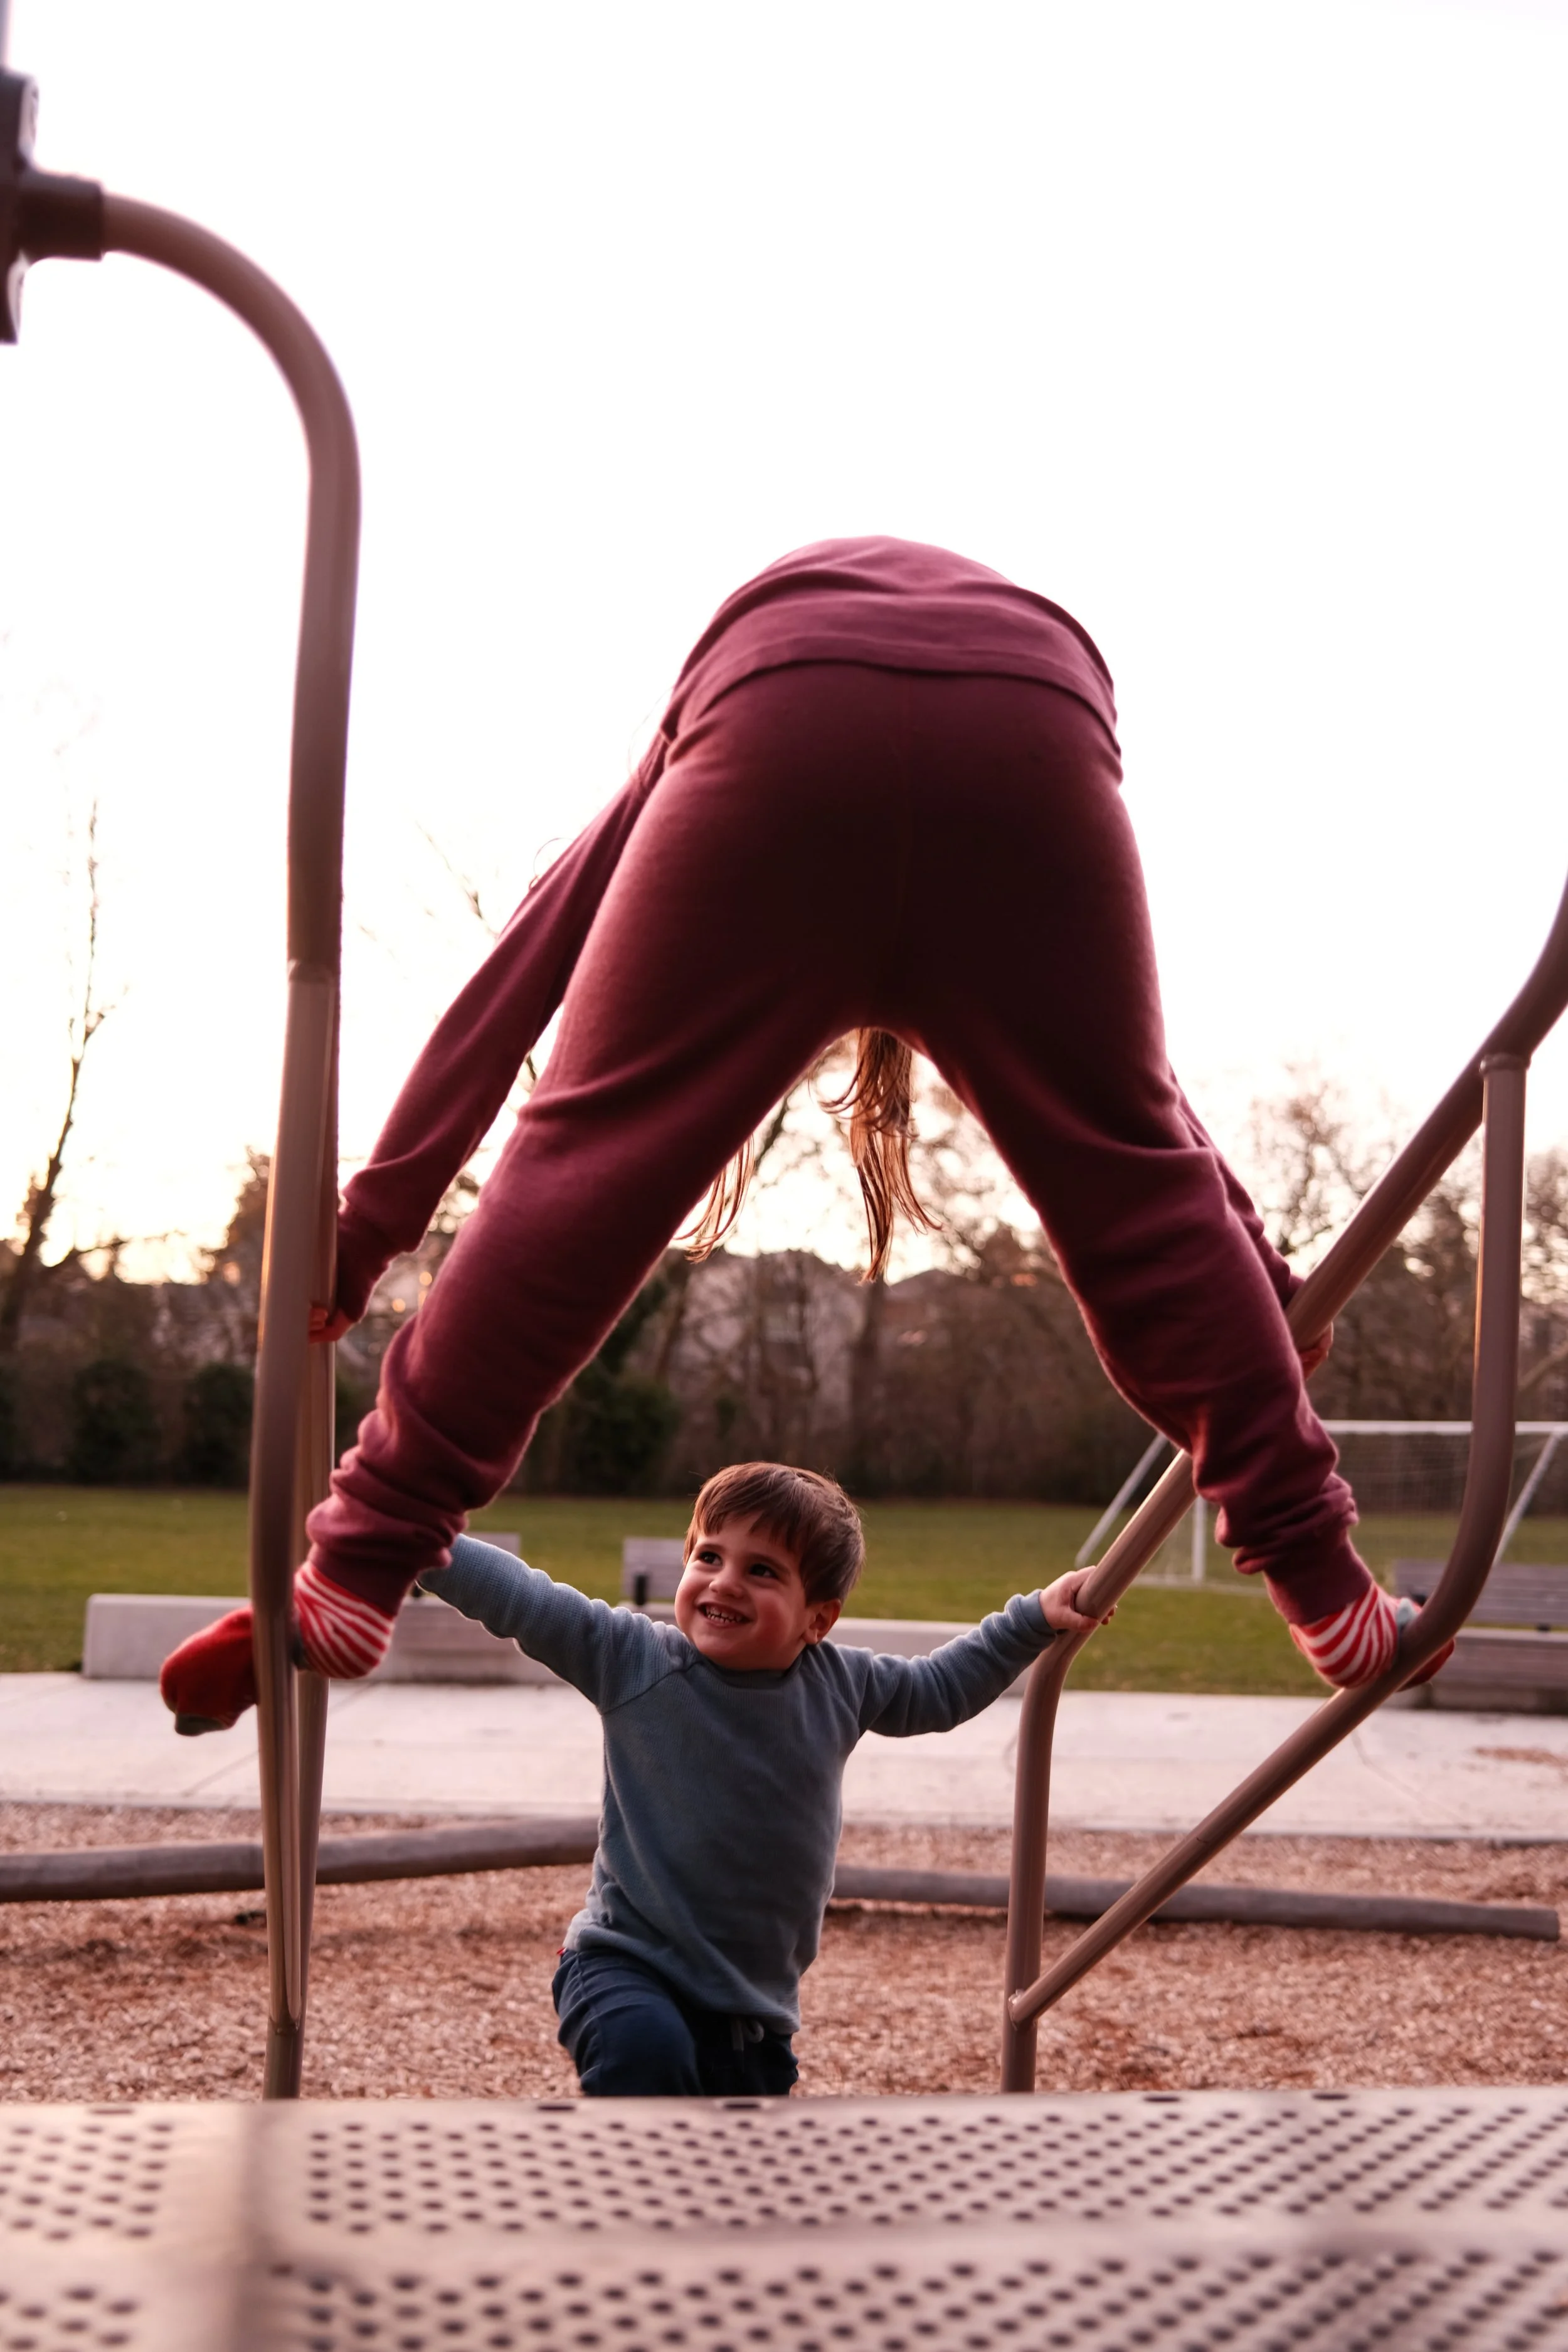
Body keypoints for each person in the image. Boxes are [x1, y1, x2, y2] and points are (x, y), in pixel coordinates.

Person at [160, 534, 1439, 1737]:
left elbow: (518, 981)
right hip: (1038, 711)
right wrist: (1260, 1283)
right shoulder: (940, 809)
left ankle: (359, 1566)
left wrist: (369, 1227)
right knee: (1124, 1173)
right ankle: (1328, 1595)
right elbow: (1135, 1113)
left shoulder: (679, 753)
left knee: (583, 1161)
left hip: (780, 692)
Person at [427, 1460, 1106, 2097]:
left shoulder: (843, 1684)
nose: (724, 1582)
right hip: (626, 1962)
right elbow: (527, 1601)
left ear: (819, 1618)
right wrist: (421, 1539)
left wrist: (1034, 1618)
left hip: (751, 2005)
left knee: (741, 2151)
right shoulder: (634, 1660)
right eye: (708, 1557)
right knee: (647, 2055)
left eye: (761, 1571)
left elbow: (939, 1689)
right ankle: (625, 2205)